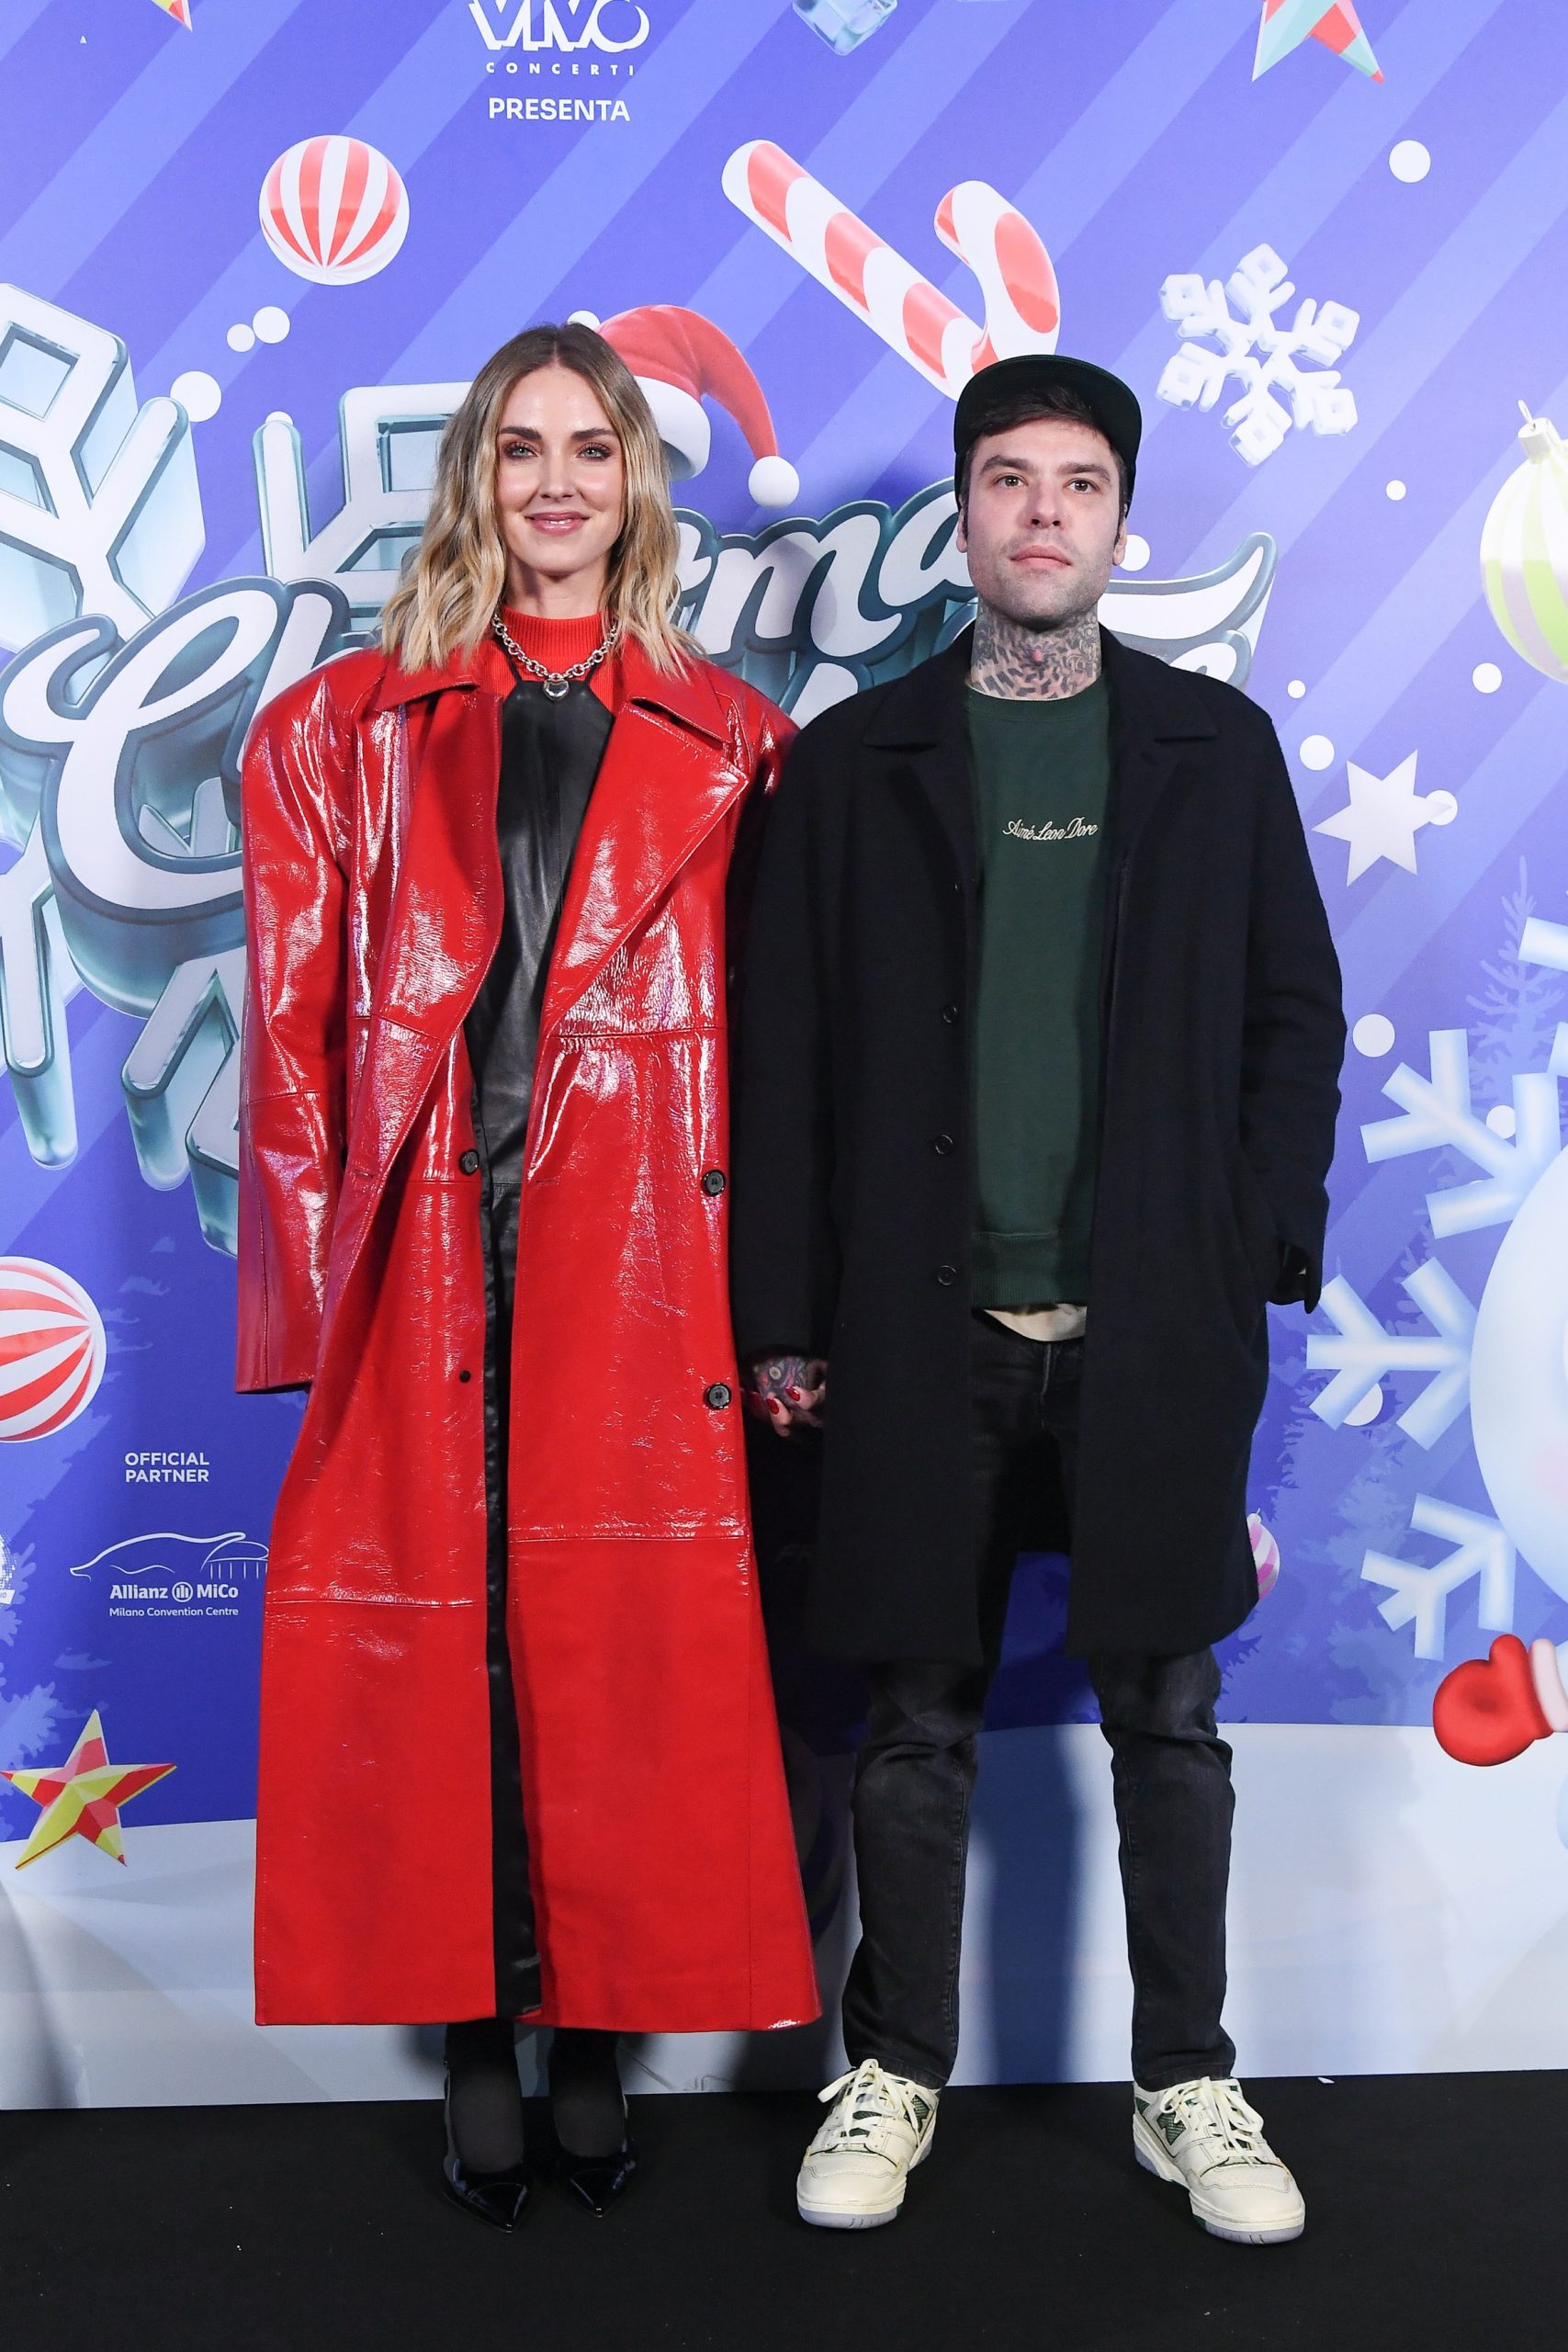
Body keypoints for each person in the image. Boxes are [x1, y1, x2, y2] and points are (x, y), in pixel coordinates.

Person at [730, 356, 1344, 2243]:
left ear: (1119, 519)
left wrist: (1242, 1250)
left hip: (1148, 1321)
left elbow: (1291, 1014)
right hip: (919, 1326)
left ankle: (1187, 2081)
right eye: (1008, 479)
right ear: (963, 514)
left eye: (1078, 481)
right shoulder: (854, 763)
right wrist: (786, 1314)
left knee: (1167, 1709)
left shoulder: (1211, 750)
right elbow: (780, 1054)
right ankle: (893, 2066)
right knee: (913, 1716)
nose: (1043, 512)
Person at [238, 322, 818, 2233]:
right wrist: (310, 1309)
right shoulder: (334, 731)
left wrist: (777, 1301)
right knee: (449, 1650)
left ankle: (597, 2039)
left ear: (635, 480)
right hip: (427, 1254)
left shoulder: (739, 740)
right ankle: (481, 2034)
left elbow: (784, 1051)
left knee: (617, 1655)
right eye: (520, 447)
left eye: (590, 446)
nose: (556, 482)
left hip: (641, 1260)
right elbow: (293, 1040)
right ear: (473, 478)